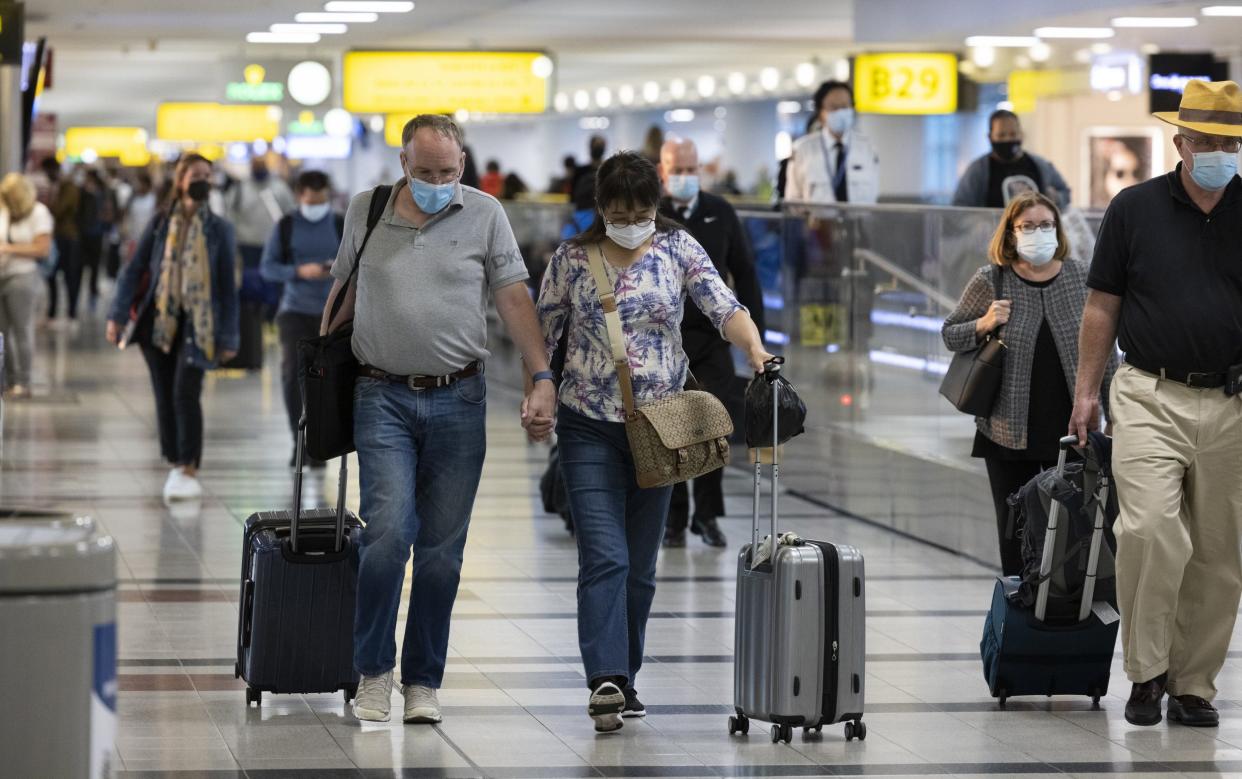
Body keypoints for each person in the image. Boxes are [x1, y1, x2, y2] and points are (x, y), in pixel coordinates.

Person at [327, 114, 555, 726]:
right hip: (381, 395)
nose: (436, 182)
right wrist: (317, 371)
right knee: (386, 536)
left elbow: (512, 297)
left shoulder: (484, 213)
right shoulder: (366, 210)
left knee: (440, 556)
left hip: (460, 399)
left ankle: (423, 681)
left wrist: (541, 377)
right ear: (403, 162)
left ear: (463, 164)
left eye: (448, 172)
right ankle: (373, 672)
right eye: (424, 172)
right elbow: (344, 291)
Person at [537, 151, 771, 733]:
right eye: (619, 211)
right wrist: (538, 390)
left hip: (661, 427)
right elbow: (543, 334)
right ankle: (604, 678)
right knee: (606, 556)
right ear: (600, 208)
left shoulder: (678, 249)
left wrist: (755, 350)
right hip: (587, 422)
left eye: (641, 210)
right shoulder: (572, 258)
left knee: (640, 565)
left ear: (656, 205)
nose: (631, 219)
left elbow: (724, 306)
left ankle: (627, 676)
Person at [1069, 79, 1242, 729]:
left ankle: (1193, 682)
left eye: (1230, 141)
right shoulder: (1134, 208)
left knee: (1221, 554)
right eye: (1206, 140)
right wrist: (1087, 392)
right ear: (1180, 143)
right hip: (1147, 392)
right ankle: (1146, 670)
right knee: (1147, 530)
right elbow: (1101, 305)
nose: (1220, 151)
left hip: (1231, 399)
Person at [942, 192, 1115, 575]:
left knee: (1071, 534)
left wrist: (1114, 411)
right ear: (1011, 233)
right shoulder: (992, 279)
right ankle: (1020, 614)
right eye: (1028, 226)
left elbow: (1104, 350)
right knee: (1015, 536)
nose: (1039, 233)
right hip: (1007, 431)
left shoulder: (1079, 277)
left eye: (1046, 225)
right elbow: (950, 334)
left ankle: (1063, 616)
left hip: (1071, 431)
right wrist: (984, 323)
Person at [106, 154, 240, 502]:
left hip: (200, 324)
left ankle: (188, 465)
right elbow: (133, 271)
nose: (204, 181)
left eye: (208, 176)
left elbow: (227, 286)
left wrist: (230, 336)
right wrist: (117, 316)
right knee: (164, 394)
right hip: (159, 320)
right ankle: (175, 460)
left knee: (185, 391)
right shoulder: (160, 223)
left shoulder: (220, 229)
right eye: (196, 175)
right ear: (180, 180)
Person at [656, 138, 766, 549]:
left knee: (712, 428)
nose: (685, 176)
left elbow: (745, 272)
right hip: (665, 342)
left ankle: (707, 515)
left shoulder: (719, 213)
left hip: (712, 339)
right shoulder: (652, 216)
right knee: (670, 430)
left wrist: (756, 338)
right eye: (677, 169)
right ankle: (673, 517)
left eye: (691, 168)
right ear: (662, 170)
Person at [259, 170, 342, 469]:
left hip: (332, 314)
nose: (316, 206)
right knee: (293, 374)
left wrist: (335, 269)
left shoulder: (339, 224)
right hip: (294, 310)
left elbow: (358, 263)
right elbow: (267, 267)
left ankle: (319, 444)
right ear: (299, 196)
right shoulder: (286, 227)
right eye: (311, 201)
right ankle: (299, 442)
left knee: (327, 382)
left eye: (322, 201)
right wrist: (298, 271)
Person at [0, 173, 53, 397]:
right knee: (3, 332)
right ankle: (9, 380)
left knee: (21, 329)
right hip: (1, 275)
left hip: (23, 276)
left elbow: (42, 249)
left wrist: (9, 249)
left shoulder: (38, 213)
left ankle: (23, 381)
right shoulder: (3, 211)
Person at [784, 80, 880, 204]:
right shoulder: (803, 149)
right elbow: (792, 199)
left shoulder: (867, 148)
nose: (841, 112)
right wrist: (809, 217)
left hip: (858, 223)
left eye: (845, 107)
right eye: (834, 108)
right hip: (817, 222)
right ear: (820, 113)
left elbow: (873, 196)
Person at [953, 110, 1072, 209]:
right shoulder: (978, 170)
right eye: (1001, 135)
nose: (1007, 139)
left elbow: (1065, 193)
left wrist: (1056, 197)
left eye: (1013, 134)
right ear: (990, 137)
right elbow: (960, 207)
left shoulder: (1040, 165)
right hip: (994, 235)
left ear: (1021, 134)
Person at [228, 157, 296, 319]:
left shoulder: (280, 188)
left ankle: (271, 320)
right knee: (248, 290)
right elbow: (230, 217)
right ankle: (250, 322)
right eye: (255, 165)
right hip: (247, 248)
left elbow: (291, 216)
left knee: (273, 290)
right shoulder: (239, 189)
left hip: (273, 247)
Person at [41, 157, 83, 324]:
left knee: (69, 276)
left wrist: (49, 209)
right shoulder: (56, 187)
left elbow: (61, 210)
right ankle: (52, 313)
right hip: (56, 235)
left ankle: (71, 313)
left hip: (68, 237)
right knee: (51, 274)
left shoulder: (68, 187)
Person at [122, 171, 157, 264]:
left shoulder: (153, 200)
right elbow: (128, 218)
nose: (138, 186)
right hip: (133, 239)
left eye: (141, 183)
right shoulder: (133, 200)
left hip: (147, 240)